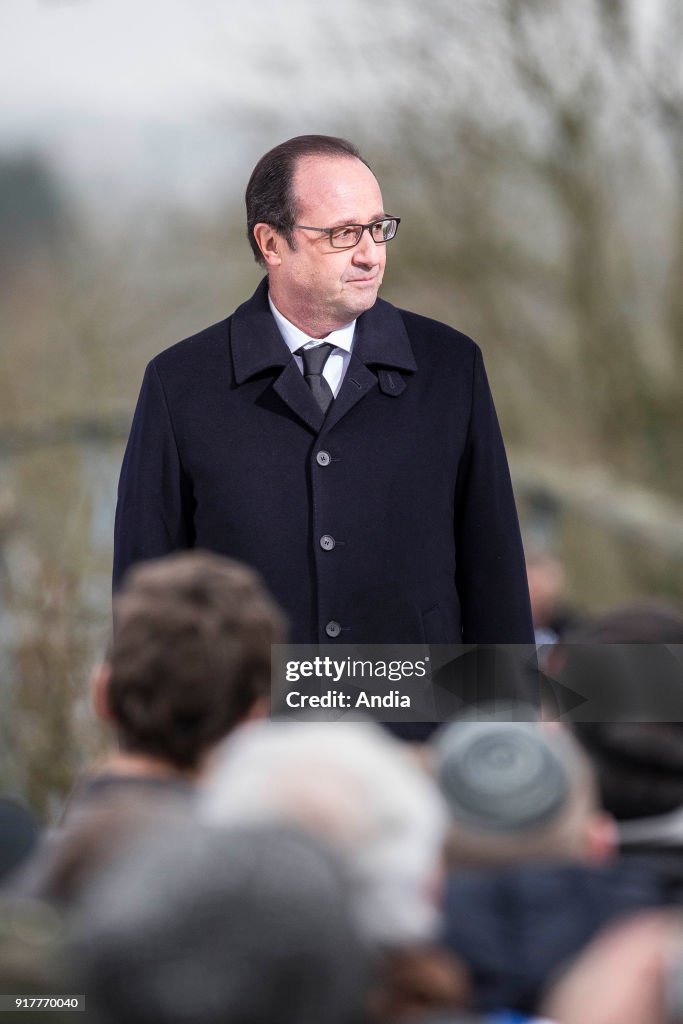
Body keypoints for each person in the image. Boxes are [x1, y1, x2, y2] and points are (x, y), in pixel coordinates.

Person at [114, 135, 533, 646]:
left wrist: (507, 722)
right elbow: (146, 590)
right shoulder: (179, 384)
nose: (370, 256)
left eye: (378, 229)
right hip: (249, 719)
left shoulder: (451, 367)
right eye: (343, 233)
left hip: (416, 718)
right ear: (271, 244)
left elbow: (495, 572)